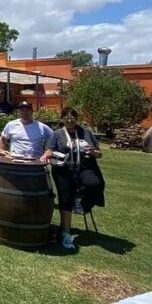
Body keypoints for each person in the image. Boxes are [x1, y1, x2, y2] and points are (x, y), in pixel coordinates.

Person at [49, 107, 105, 250]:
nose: (69, 121)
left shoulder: (86, 133)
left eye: (72, 118)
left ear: (76, 119)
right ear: (62, 119)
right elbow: (49, 149)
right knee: (65, 198)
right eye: (66, 119)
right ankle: (66, 232)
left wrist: (94, 152)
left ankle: (80, 200)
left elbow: (99, 154)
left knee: (94, 183)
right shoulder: (57, 134)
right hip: (64, 169)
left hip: (84, 167)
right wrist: (46, 156)